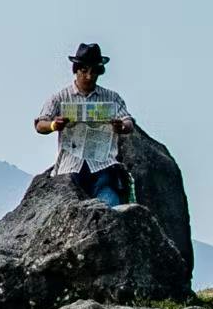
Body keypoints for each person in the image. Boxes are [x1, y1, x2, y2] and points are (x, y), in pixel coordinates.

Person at [33, 41, 138, 206]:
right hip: (71, 167)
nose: (89, 76)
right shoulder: (60, 98)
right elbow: (40, 124)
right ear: (76, 70)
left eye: (94, 71)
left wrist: (121, 126)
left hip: (102, 166)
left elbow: (128, 121)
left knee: (109, 203)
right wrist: (54, 125)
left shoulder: (112, 98)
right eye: (84, 71)